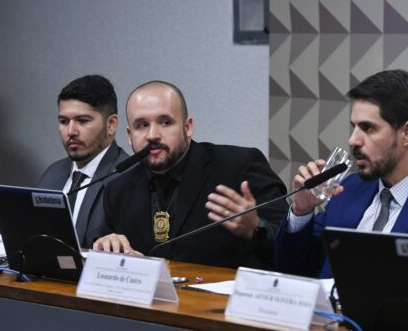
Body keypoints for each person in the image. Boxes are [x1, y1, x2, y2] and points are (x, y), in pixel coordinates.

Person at [275, 69, 408, 280]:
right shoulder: (349, 188)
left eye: (367, 128)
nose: (353, 140)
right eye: (354, 127)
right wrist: (301, 211)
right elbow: (293, 270)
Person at [93, 80, 288, 269]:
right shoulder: (118, 189)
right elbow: (109, 255)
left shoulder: (239, 166)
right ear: (129, 135)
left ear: (188, 127)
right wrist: (107, 246)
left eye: (165, 122)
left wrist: (256, 229)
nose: (152, 135)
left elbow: (295, 249)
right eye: (142, 125)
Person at [38, 75, 128, 248]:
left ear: (111, 124)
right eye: (64, 121)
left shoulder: (129, 177)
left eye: (82, 121)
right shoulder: (52, 174)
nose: (71, 131)